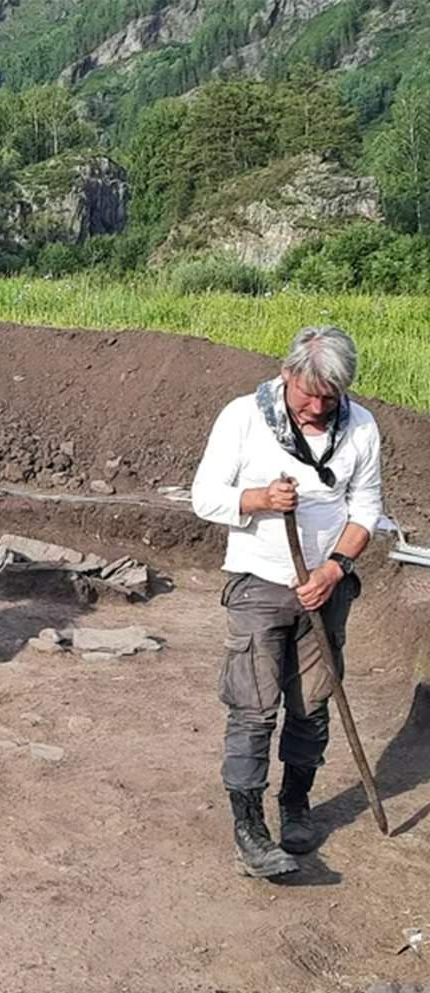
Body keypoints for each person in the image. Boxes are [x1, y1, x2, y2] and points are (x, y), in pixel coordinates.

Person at [190, 326, 383, 878]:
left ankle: (295, 805)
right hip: (258, 586)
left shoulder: (361, 426)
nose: (319, 407)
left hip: (326, 590)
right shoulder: (243, 417)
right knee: (252, 709)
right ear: (287, 374)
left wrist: (334, 568)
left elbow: (366, 509)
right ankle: (249, 829)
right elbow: (205, 498)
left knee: (313, 705)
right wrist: (259, 499)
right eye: (309, 395)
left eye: (331, 397)